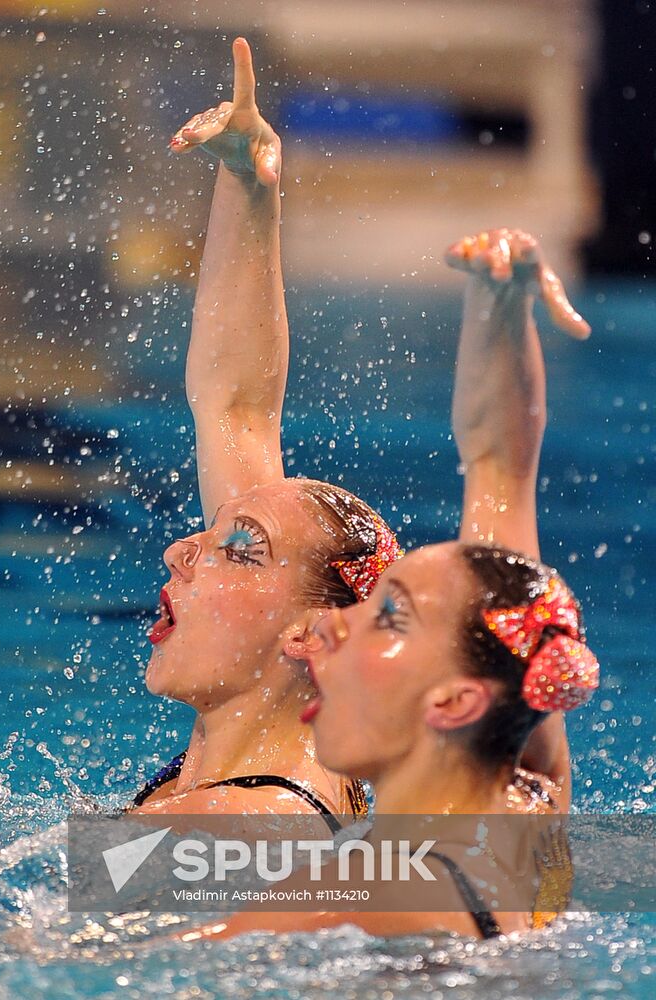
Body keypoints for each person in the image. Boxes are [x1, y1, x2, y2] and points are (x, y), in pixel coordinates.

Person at [132, 38, 590, 825]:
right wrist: (248, 180)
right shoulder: (301, 787)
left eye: (240, 548)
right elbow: (237, 404)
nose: (183, 547)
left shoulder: (244, 826)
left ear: (313, 635)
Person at [178, 542, 599, 942]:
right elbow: (514, 658)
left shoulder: (360, 893)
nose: (331, 622)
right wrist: (499, 476)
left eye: (388, 615)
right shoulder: (531, 825)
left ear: (455, 702)